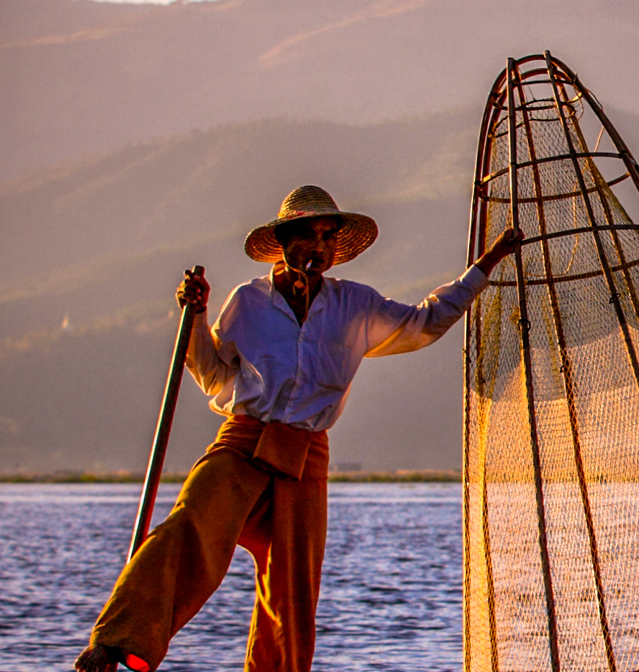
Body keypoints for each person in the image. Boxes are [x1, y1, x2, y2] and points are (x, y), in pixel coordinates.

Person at [74, 186, 522, 672]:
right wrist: (196, 315)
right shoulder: (248, 301)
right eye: (308, 235)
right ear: (284, 245)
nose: (319, 247)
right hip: (243, 442)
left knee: (291, 593)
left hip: (305, 458)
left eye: (328, 238)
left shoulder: (355, 305)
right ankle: (118, 641)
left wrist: (488, 262)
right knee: (188, 529)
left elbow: (425, 323)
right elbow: (214, 375)